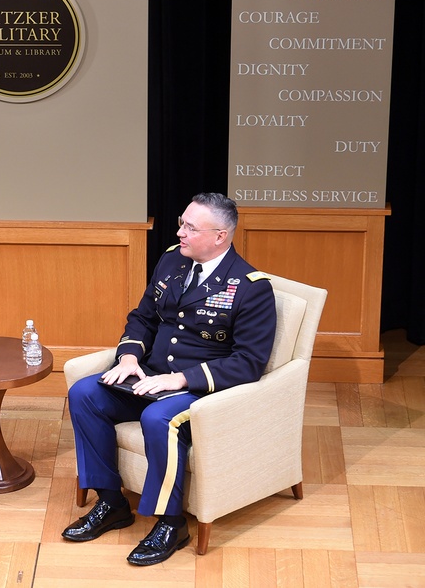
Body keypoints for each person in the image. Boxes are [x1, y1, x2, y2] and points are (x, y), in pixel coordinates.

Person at [63, 193, 277, 565]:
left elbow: (249, 363)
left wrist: (180, 379)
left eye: (190, 228)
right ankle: (112, 503)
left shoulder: (250, 287)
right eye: (182, 223)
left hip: (199, 390)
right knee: (84, 393)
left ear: (220, 236)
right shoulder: (171, 261)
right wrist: (129, 357)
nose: (180, 232)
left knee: (158, 418)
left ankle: (171, 523)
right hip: (150, 377)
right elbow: (143, 317)